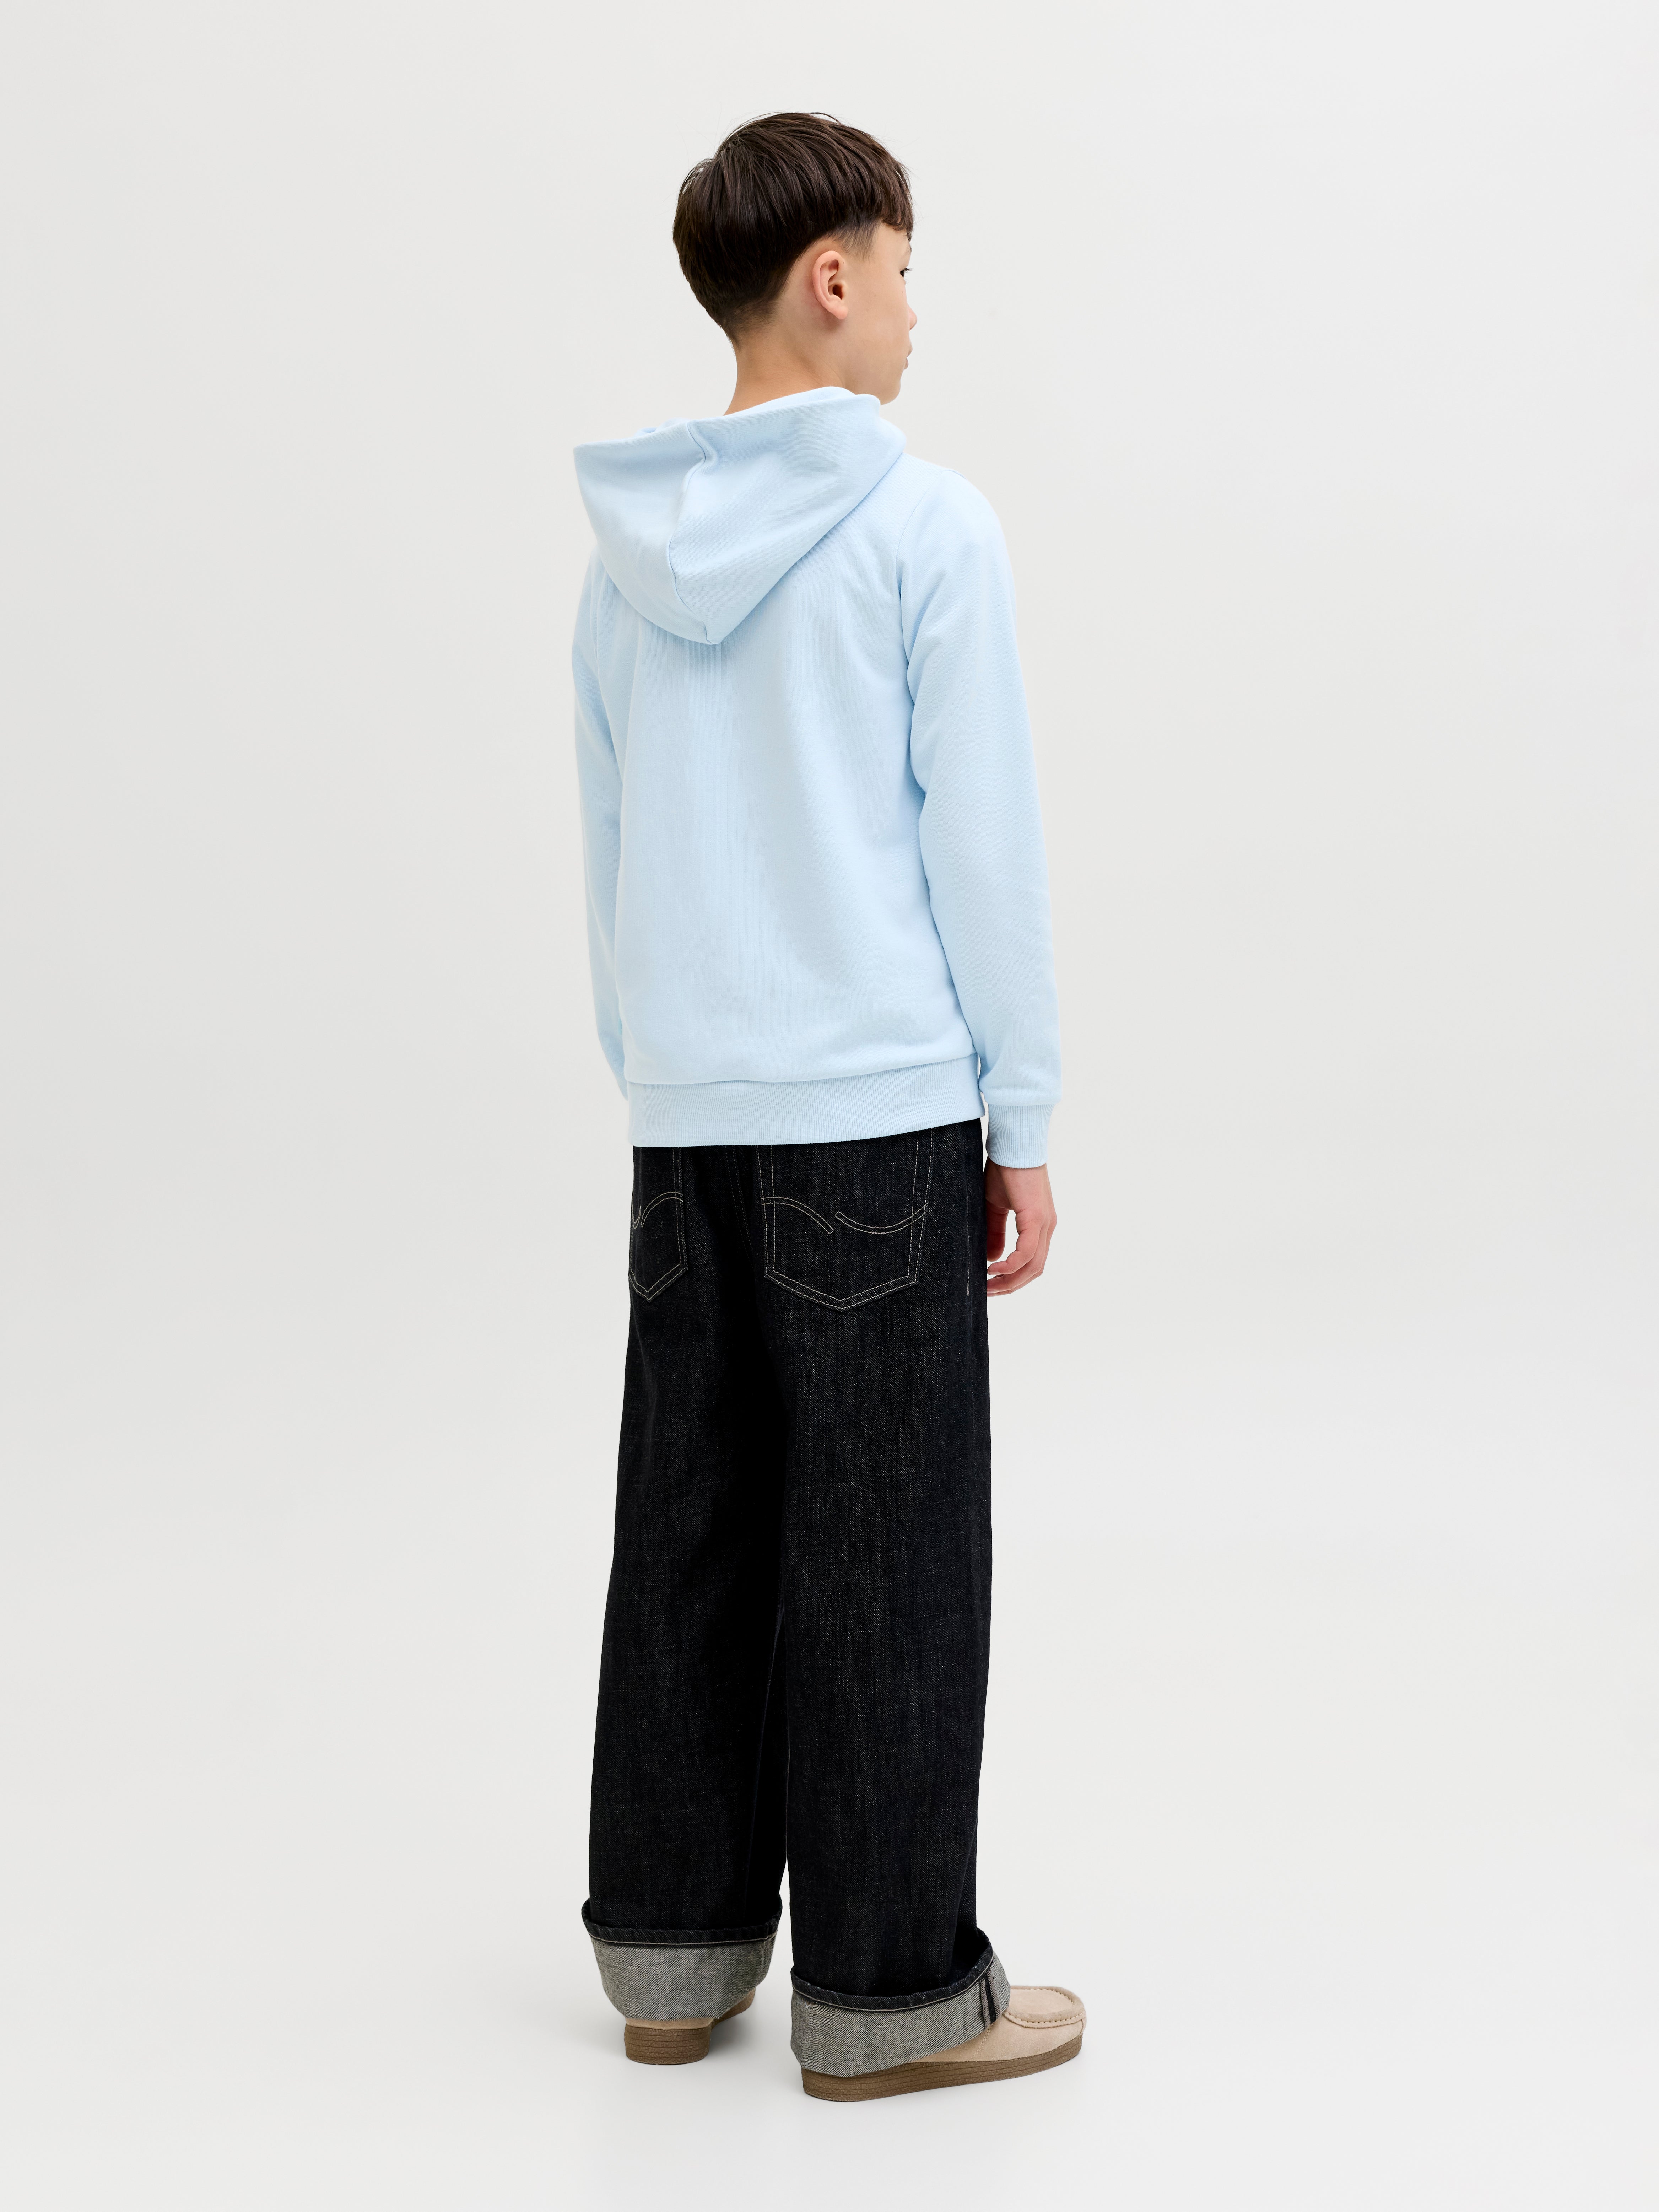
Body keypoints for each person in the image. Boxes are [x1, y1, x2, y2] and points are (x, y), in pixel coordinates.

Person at [570, 111, 1081, 2102]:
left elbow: (610, 852)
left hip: (686, 1118)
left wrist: (665, 1073)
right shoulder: (924, 528)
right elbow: (985, 849)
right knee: (887, 1553)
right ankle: (886, 1997)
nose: (918, 316)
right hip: (875, 1112)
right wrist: (1016, 1113)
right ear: (833, 276)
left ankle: (670, 1960)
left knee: (688, 1534)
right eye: (906, 270)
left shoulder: (623, 563)